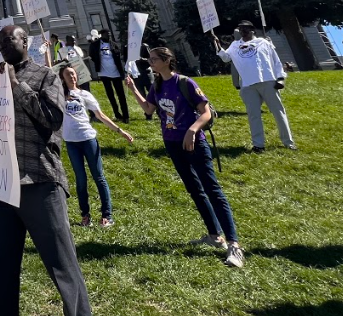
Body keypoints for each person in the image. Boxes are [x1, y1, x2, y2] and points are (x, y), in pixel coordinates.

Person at [0, 25, 92, 315]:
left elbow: (53, 118)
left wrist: (18, 86)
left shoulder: (46, 75)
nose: (4, 45)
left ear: (25, 42)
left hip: (39, 180)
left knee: (63, 266)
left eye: (10, 39)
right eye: (0, 41)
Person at [125, 47, 245, 268]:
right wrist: (133, 90)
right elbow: (149, 110)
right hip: (172, 144)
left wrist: (192, 130)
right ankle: (214, 235)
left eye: (153, 59)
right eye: (150, 59)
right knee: (194, 189)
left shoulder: (185, 82)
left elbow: (206, 111)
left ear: (166, 60)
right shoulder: (157, 85)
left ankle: (234, 245)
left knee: (212, 189)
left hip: (194, 143)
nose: (150, 62)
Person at [59, 66, 131, 228]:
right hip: (71, 143)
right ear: (62, 78)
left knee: (99, 177)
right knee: (81, 180)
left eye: (73, 73)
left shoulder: (85, 94)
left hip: (88, 139)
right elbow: (49, 73)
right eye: (67, 74)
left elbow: (101, 115)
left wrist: (120, 131)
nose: (72, 76)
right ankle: (85, 216)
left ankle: (107, 216)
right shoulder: (59, 95)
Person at [213, 20, 297, 151]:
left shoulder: (263, 43)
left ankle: (288, 142)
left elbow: (275, 61)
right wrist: (216, 43)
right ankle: (258, 144)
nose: (242, 31)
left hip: (267, 81)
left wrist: (281, 78)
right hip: (248, 85)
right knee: (253, 115)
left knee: (278, 112)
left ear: (252, 30)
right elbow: (225, 57)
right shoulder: (235, 45)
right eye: (240, 29)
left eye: (245, 28)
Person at [89, 29, 129, 123]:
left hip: (116, 73)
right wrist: (99, 64)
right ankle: (117, 114)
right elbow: (92, 56)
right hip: (104, 73)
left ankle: (126, 116)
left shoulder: (114, 44)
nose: (109, 36)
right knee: (111, 95)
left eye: (110, 34)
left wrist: (122, 73)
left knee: (121, 95)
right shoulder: (95, 45)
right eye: (107, 34)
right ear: (102, 35)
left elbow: (118, 59)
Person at [132, 43, 155, 121]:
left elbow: (151, 59)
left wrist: (141, 59)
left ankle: (159, 110)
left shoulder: (144, 46)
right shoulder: (129, 47)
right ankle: (148, 113)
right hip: (137, 75)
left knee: (153, 93)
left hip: (147, 73)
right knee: (142, 95)